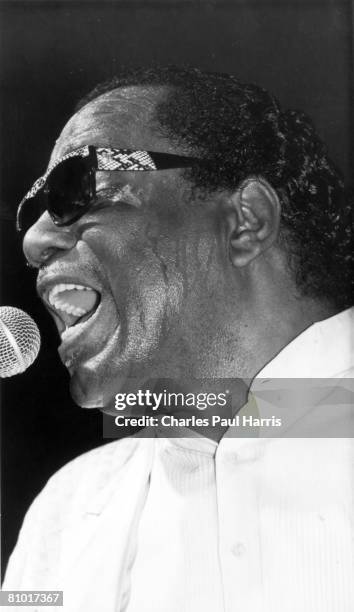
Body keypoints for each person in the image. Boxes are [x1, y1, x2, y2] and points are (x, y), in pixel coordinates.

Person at [3, 67, 353, 611]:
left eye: (78, 186)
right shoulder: (66, 513)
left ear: (247, 220)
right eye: (34, 209)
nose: (35, 239)